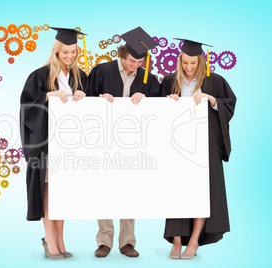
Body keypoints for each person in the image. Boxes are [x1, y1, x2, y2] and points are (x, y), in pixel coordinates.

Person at [160, 39, 236, 260]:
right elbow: (156, 112)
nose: (189, 67)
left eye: (193, 62)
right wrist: (169, 101)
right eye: (185, 62)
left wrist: (211, 99)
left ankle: (193, 241)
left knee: (203, 191)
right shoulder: (170, 81)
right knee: (177, 191)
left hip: (206, 146)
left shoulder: (215, 81)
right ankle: (176, 240)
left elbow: (229, 105)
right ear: (180, 60)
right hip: (177, 147)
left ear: (201, 60)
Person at [87, 26, 160, 258]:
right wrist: (99, 99)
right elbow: (85, 102)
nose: (135, 65)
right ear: (121, 53)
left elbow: (160, 109)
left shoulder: (147, 78)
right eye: (131, 60)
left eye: (139, 62)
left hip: (133, 144)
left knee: (130, 189)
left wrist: (146, 99)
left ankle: (127, 242)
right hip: (103, 141)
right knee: (102, 189)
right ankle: (104, 241)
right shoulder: (101, 71)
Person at [19, 27, 88, 260]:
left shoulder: (80, 77)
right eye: (65, 52)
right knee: (49, 190)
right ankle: (50, 239)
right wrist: (48, 95)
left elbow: (92, 107)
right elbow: (27, 107)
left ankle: (60, 238)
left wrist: (83, 95)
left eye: (73, 52)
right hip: (47, 145)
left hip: (71, 146)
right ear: (57, 51)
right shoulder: (40, 76)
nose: (69, 56)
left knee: (63, 192)